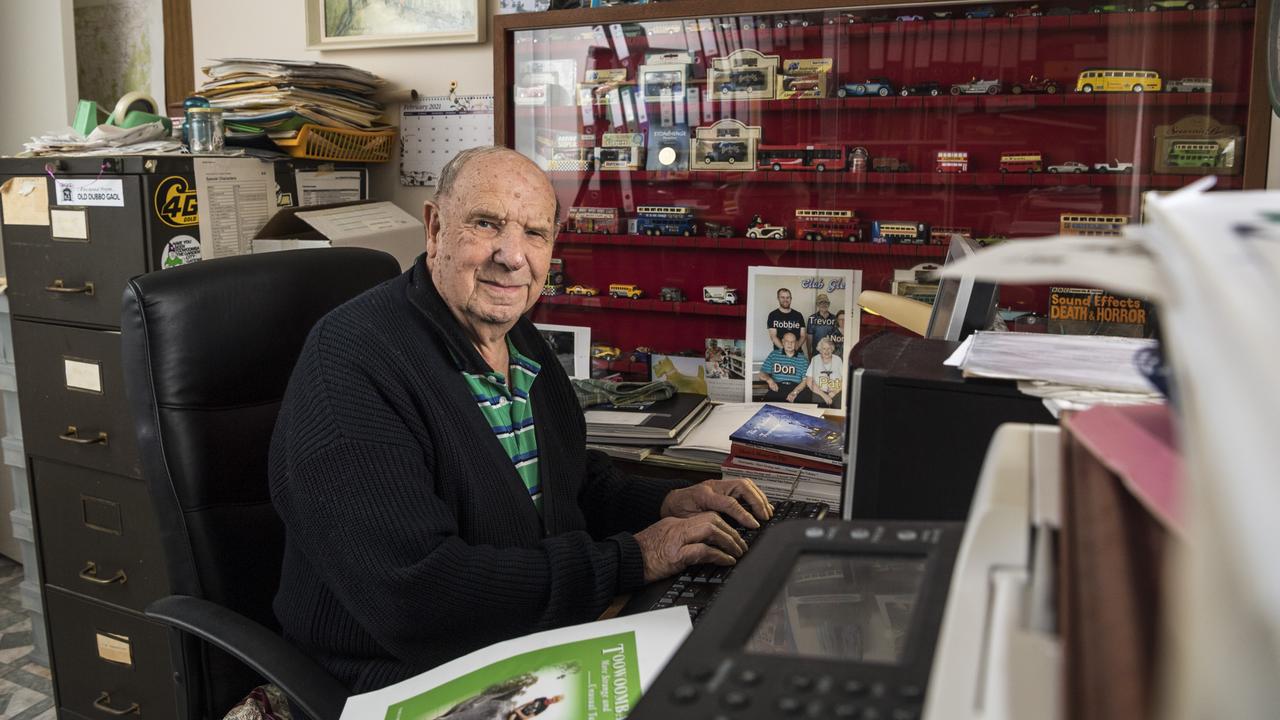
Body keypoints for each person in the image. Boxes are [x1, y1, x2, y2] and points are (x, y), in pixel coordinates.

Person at [270, 146, 772, 693]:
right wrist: (634, 558)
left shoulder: (516, 339)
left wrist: (664, 503)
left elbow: (565, 482)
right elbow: (416, 597)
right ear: (435, 227)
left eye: (535, 233)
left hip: (526, 642)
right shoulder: (352, 360)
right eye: (487, 223)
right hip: (405, 676)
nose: (512, 257)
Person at [757, 331, 809, 403]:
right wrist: (769, 380)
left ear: (796, 343)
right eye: (787, 341)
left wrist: (794, 392)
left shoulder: (803, 359)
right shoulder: (774, 355)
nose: (790, 344)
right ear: (783, 342)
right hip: (777, 388)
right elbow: (761, 374)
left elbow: (805, 381)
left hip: (796, 389)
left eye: (792, 342)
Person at [805, 336, 844, 409]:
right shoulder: (815, 359)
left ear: (832, 349)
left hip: (836, 392)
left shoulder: (838, 360)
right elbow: (809, 382)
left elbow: (844, 379)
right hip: (819, 393)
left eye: (829, 348)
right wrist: (824, 395)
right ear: (820, 350)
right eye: (824, 348)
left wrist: (834, 392)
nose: (826, 351)